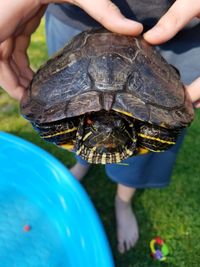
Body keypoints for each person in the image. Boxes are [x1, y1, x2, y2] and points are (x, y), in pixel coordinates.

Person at [0, 0, 199, 254]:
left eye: (118, 125)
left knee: (148, 150)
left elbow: (170, 126)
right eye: (94, 125)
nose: (107, 128)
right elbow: (47, 120)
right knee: (70, 126)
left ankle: (122, 200)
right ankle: (82, 164)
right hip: (73, 19)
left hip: (183, 31)